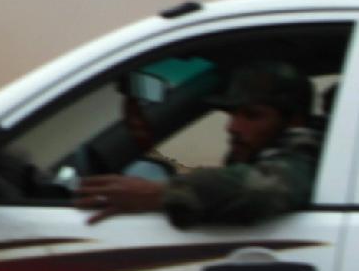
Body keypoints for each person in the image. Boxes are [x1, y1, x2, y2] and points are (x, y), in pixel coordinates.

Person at [76, 61, 319, 228]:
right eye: (232, 114)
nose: (232, 127)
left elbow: (264, 189)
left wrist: (160, 193)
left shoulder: (307, 155)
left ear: (294, 122)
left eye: (252, 115)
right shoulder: (267, 153)